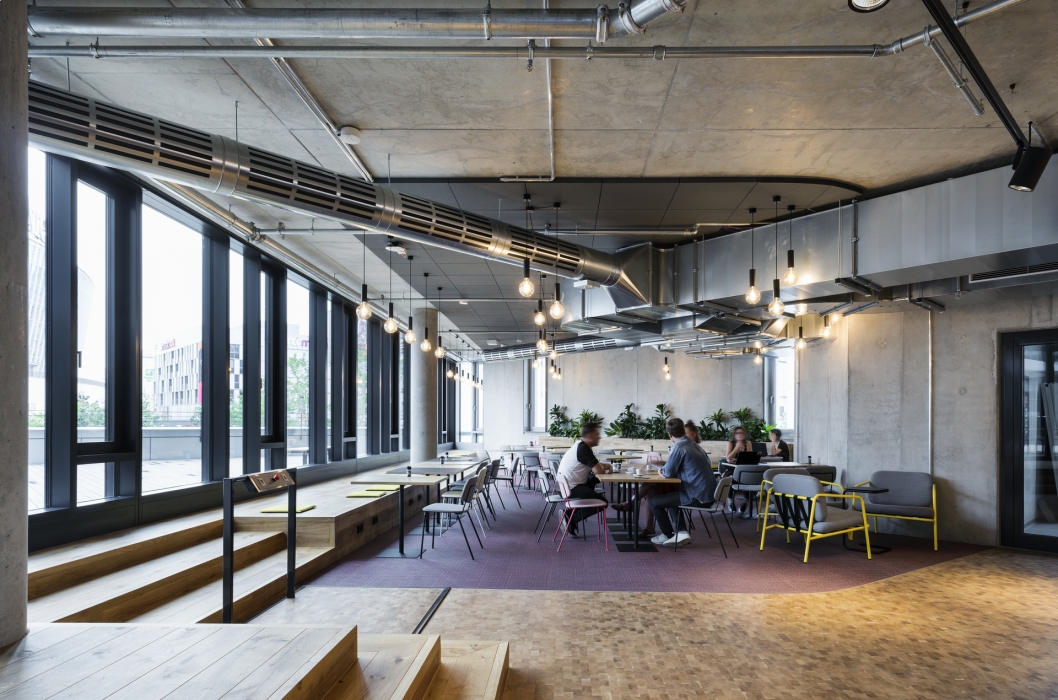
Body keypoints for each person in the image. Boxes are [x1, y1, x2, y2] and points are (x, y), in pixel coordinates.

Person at [649, 417, 717, 547]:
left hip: (698, 497)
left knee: (654, 502)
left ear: (669, 434)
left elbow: (668, 473)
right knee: (671, 495)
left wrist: (660, 471)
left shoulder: (679, 447)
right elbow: (707, 463)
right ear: (683, 430)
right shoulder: (694, 445)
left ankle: (668, 535)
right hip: (711, 496)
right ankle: (681, 532)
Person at [557, 422, 612, 534]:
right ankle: (568, 518)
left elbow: (594, 464)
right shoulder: (583, 449)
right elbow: (599, 470)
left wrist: (605, 465)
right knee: (602, 502)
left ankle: (569, 516)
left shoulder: (580, 445)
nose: (599, 437)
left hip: (567, 485)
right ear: (590, 436)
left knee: (592, 485)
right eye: (597, 434)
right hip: (572, 488)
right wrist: (603, 467)